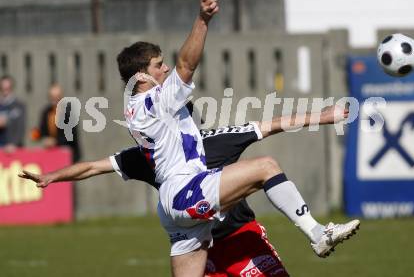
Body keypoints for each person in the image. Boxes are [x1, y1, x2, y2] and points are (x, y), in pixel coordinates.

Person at [117, 0, 359, 276]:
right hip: (186, 191)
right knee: (266, 167)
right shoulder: (154, 102)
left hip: (174, 206)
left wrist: (52, 177)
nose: (166, 68)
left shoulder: (135, 108)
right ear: (141, 76)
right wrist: (203, 20)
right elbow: (186, 64)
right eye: (158, 65)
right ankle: (317, 234)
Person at [19, 105, 349, 277]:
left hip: (241, 238)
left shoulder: (218, 139)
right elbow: (92, 166)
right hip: (197, 250)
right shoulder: (149, 159)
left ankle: (316, 232)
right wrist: (52, 176)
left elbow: (274, 123)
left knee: (267, 166)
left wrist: (325, 116)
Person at [36, 84, 81, 162]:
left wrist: (55, 141)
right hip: (51, 153)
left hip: (68, 154)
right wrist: (37, 134)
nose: (55, 100)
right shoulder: (46, 112)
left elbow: (71, 135)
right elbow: (42, 131)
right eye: (52, 97)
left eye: (57, 97)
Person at [0, 75, 26, 152]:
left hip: (12, 148)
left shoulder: (19, 105)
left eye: (7, 88)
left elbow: (21, 127)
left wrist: (14, 144)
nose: (5, 90)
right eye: (3, 88)